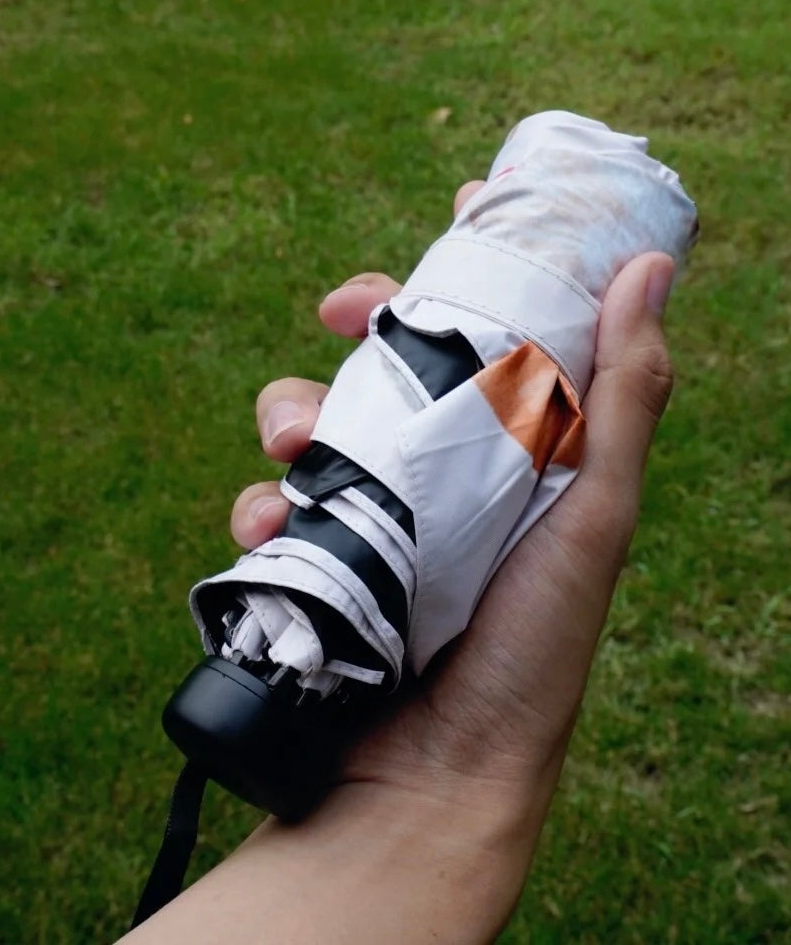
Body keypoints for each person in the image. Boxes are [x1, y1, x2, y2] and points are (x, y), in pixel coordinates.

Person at [120, 179, 677, 943]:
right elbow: (519, 412)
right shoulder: (534, 385)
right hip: (521, 350)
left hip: (511, 341)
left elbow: (518, 408)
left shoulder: (530, 381)